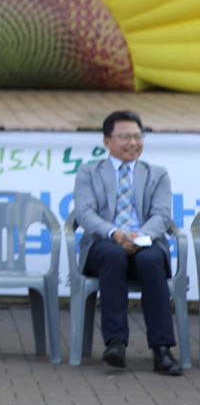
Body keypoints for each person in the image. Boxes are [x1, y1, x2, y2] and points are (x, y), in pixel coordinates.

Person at [73, 110, 182, 375]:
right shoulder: (89, 172)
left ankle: (162, 350)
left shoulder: (157, 174)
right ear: (107, 141)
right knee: (113, 255)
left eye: (137, 136)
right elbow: (85, 213)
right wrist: (114, 233)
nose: (133, 143)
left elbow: (162, 214)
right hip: (104, 244)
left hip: (145, 242)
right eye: (125, 137)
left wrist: (139, 237)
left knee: (152, 259)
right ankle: (116, 343)